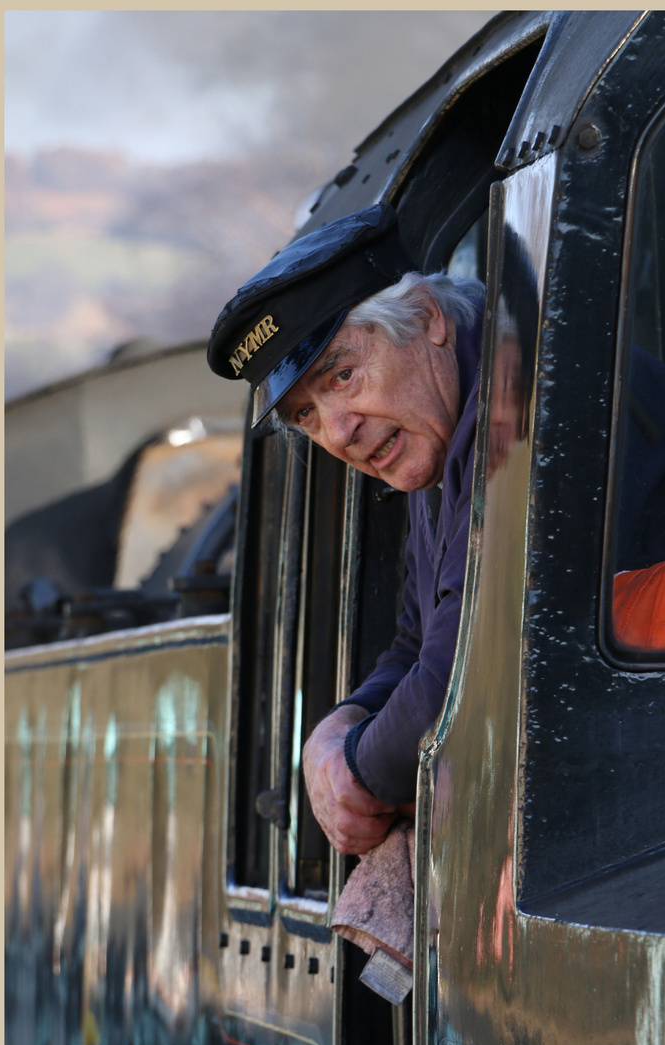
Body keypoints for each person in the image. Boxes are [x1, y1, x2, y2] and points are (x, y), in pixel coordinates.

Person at [208, 203, 485, 855]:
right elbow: (417, 638)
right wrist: (336, 728)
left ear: (426, 319)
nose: (337, 432)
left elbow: (464, 668)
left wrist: (354, 772)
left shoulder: (512, 412)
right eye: (306, 413)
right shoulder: (429, 440)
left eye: (342, 373)